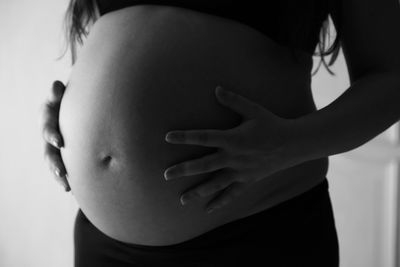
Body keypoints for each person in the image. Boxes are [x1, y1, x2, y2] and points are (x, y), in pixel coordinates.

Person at [41, 0, 400, 266]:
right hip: (104, 244)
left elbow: (391, 79)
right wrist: (70, 115)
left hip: (255, 232)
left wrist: (290, 145)